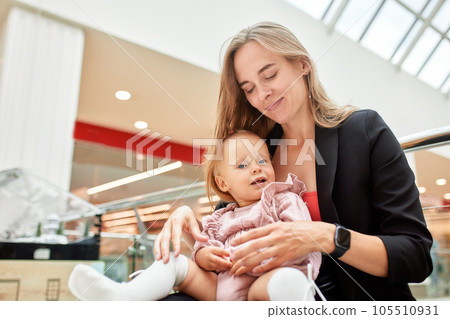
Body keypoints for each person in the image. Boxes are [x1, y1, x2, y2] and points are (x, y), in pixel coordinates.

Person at [155, 21, 433, 301]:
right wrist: (192, 226)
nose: (262, 95)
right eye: (249, 88)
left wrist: (326, 237)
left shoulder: (363, 131)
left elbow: (415, 255)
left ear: (303, 65)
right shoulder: (258, 153)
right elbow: (227, 243)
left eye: (270, 75)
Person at [68, 130, 321, 301]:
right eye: (242, 165)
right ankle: (125, 297)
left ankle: (298, 302)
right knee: (176, 262)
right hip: (221, 289)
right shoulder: (220, 218)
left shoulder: (283, 199)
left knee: (285, 282)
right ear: (223, 183)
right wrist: (204, 257)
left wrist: (272, 253)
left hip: (262, 288)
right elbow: (202, 248)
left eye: (263, 161)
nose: (256, 167)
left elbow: (305, 238)